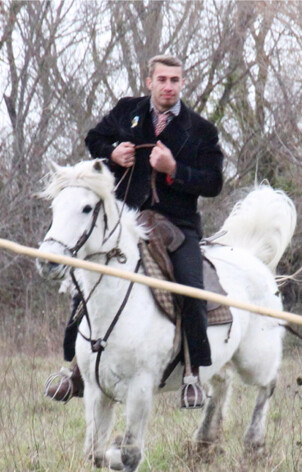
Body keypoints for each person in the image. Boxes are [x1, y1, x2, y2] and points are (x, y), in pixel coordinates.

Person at [44, 54, 224, 409]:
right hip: (124, 221)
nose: (169, 87)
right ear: (149, 81)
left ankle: (192, 375)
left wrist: (174, 169)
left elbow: (214, 182)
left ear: (182, 83)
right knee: (86, 278)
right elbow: (94, 139)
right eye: (162, 80)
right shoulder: (128, 111)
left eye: (175, 80)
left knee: (191, 287)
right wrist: (112, 153)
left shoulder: (202, 130)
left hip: (177, 226)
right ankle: (74, 369)